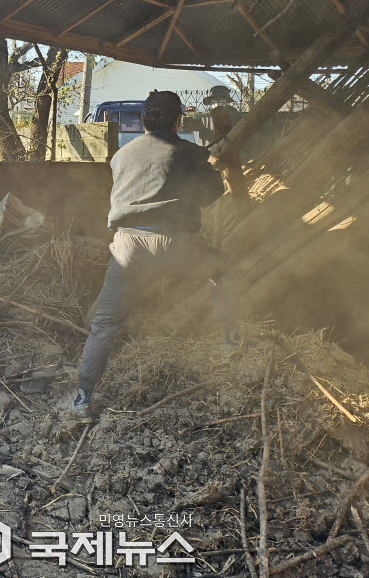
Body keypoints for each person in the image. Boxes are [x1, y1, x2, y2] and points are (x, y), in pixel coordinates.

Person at [71, 90, 241, 420]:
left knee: (105, 323)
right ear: (178, 121)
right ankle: (230, 341)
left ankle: (82, 400)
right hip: (177, 245)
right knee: (222, 270)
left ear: (145, 121)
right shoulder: (191, 152)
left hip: (130, 246)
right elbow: (214, 193)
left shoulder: (121, 155)